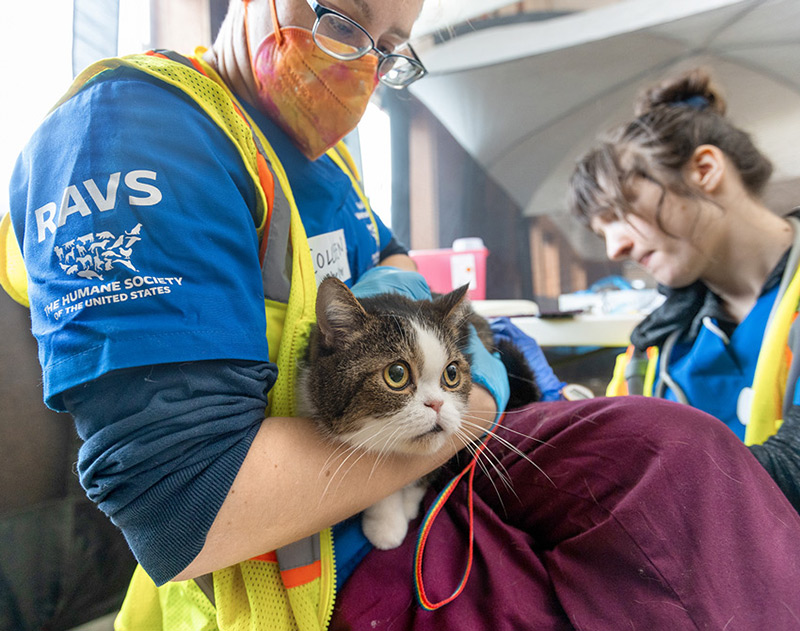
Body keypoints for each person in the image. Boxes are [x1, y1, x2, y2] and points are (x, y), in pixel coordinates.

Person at [1, 3, 799, 628]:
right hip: (325, 560)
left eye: (390, 49)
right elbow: (185, 507)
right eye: (345, 20)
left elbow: (415, 288)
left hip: (423, 442)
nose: (363, 67)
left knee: (676, 454)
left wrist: (477, 372)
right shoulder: (133, 136)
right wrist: (475, 400)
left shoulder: (326, 158)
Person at [568, 67, 800, 513]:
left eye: (618, 213)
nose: (617, 247)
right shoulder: (653, 354)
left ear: (705, 170)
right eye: (602, 234)